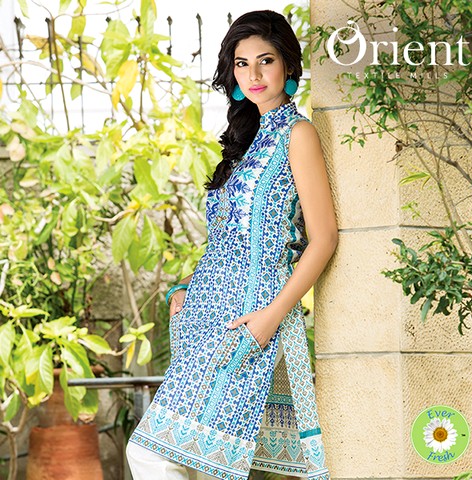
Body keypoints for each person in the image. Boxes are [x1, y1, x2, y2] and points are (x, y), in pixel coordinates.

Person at [126, 9, 338, 480]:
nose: (254, 74)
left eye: (266, 61)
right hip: (206, 312)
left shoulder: (297, 134)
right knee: (202, 462)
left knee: (151, 453)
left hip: (250, 313)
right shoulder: (245, 141)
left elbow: (323, 239)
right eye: (243, 64)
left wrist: (272, 316)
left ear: (288, 65)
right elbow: (229, 239)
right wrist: (186, 285)